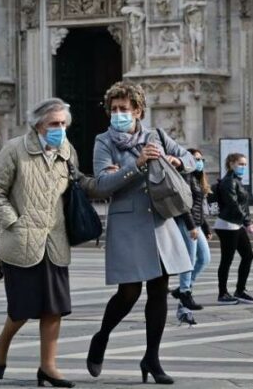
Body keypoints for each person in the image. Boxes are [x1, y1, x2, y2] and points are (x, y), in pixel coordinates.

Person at [0, 98, 104, 388]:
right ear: (38, 124)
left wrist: (112, 179)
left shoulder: (67, 151)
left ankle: (49, 367)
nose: (60, 129)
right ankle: (1, 344)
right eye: (54, 124)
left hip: (55, 240)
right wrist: (14, 223)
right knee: (22, 308)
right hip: (21, 242)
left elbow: (77, 186)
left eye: (64, 124)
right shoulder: (14, 150)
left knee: (55, 307)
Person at [86, 82, 195, 385]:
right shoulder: (103, 142)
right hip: (127, 223)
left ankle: (152, 358)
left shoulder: (156, 136)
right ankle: (102, 336)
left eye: (124, 108)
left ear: (138, 110)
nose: (118, 114)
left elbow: (192, 159)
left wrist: (175, 160)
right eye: (114, 109)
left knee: (160, 288)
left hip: (159, 220)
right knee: (129, 292)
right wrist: (137, 164)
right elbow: (103, 185)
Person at [214, 153, 253, 306]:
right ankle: (222, 293)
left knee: (248, 255)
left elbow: (243, 205)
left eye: (245, 164)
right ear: (231, 163)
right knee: (227, 259)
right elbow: (233, 204)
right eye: (241, 164)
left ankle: (240, 290)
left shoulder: (236, 181)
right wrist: (247, 223)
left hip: (236, 224)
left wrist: (247, 221)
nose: (243, 167)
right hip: (227, 225)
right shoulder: (228, 182)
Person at [171, 148, 213, 311]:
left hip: (196, 223)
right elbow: (184, 205)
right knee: (189, 259)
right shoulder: (185, 176)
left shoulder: (196, 178)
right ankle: (185, 291)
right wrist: (191, 227)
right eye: (196, 159)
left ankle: (183, 288)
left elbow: (198, 207)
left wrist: (205, 227)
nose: (199, 162)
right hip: (186, 223)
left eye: (201, 159)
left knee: (205, 258)